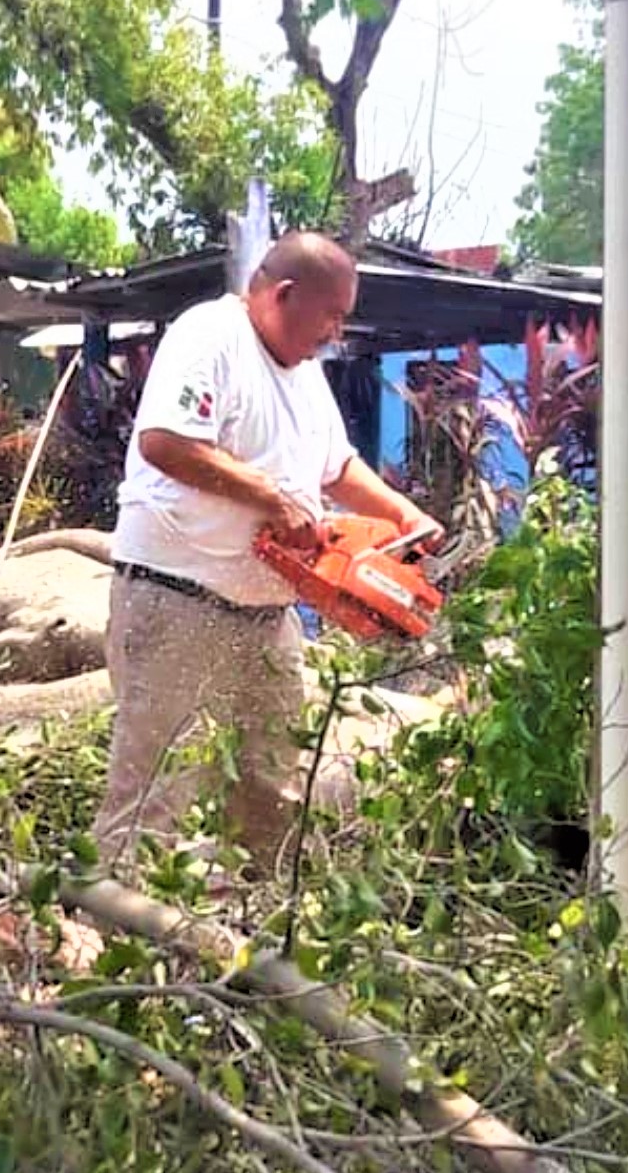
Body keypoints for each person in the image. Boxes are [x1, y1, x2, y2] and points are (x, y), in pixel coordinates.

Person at [93, 231, 444, 877]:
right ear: (284, 294)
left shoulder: (306, 372)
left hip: (265, 612)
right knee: (159, 780)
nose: (337, 331)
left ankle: (258, 922)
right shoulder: (210, 335)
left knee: (271, 779)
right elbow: (165, 441)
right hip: (177, 596)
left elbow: (335, 463)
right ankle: (117, 925)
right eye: (332, 313)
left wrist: (400, 513)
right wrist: (275, 500)